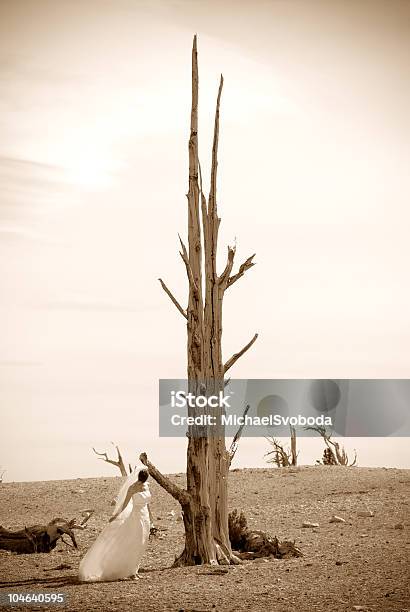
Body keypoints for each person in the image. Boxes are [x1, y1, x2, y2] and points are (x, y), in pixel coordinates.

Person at [79, 465, 151, 582]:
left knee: (141, 544)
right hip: (136, 517)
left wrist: (151, 518)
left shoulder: (147, 486)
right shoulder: (132, 488)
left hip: (145, 517)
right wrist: (116, 515)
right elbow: (125, 503)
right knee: (135, 543)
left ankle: (134, 571)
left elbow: (148, 504)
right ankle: (130, 572)